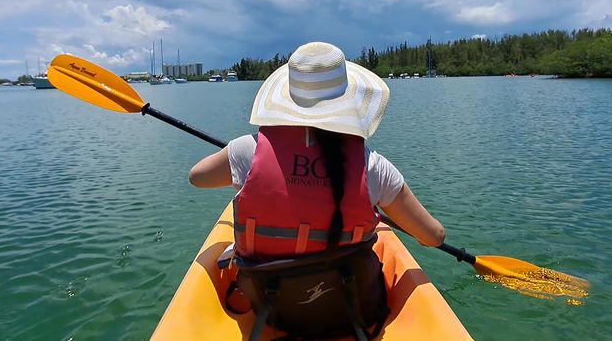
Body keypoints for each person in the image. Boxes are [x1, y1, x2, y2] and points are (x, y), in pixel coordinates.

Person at [189, 42, 445, 341]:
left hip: (273, 312)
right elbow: (433, 236)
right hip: (352, 312)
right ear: (348, 101)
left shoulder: (248, 150)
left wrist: (243, 156)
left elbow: (197, 177)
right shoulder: (374, 167)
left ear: (287, 97)